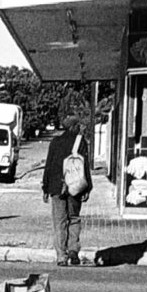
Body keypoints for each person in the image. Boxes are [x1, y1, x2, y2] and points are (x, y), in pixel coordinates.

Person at [41, 114, 92, 266]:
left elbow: (48, 166)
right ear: (73, 127)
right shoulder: (80, 142)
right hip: (75, 187)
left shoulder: (55, 142)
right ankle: (73, 250)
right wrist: (87, 187)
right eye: (78, 126)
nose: (79, 128)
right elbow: (85, 166)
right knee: (74, 218)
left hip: (56, 187)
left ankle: (61, 256)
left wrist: (45, 187)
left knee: (59, 221)